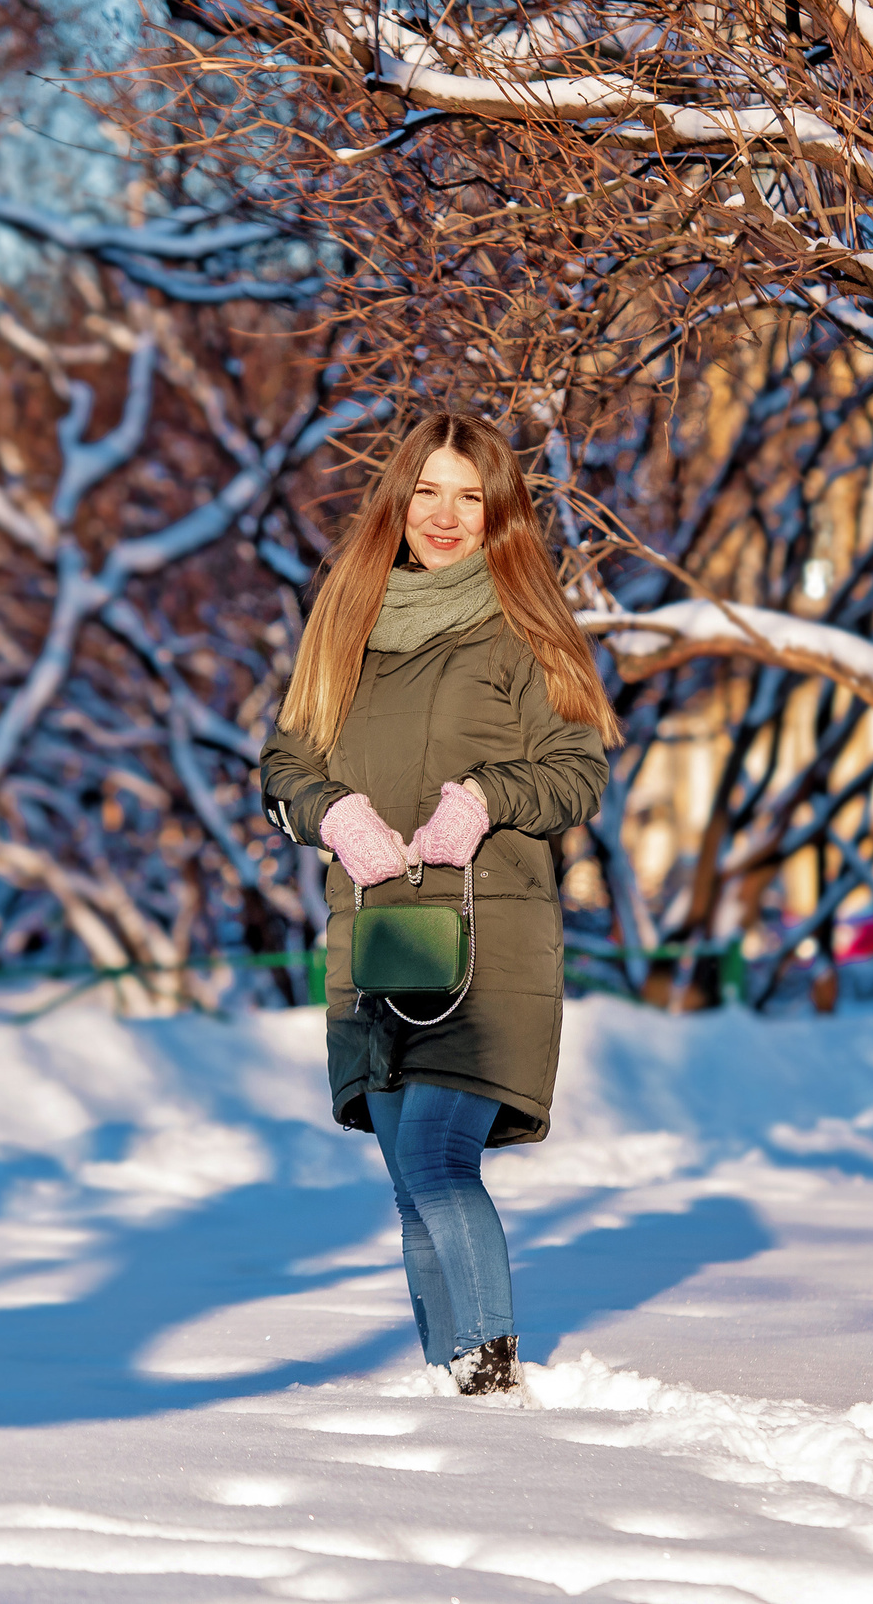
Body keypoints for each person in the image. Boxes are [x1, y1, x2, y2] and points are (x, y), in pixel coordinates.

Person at [259, 412, 618, 1395]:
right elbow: (283, 764)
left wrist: (488, 798)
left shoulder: (523, 628)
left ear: (498, 512)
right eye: (428, 491)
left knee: (434, 1152)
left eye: (471, 495)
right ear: (398, 500)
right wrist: (332, 815)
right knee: (408, 1182)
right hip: (375, 937)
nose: (447, 515)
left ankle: (492, 1376)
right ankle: (448, 1391)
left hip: (487, 937)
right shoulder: (346, 625)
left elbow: (576, 772)